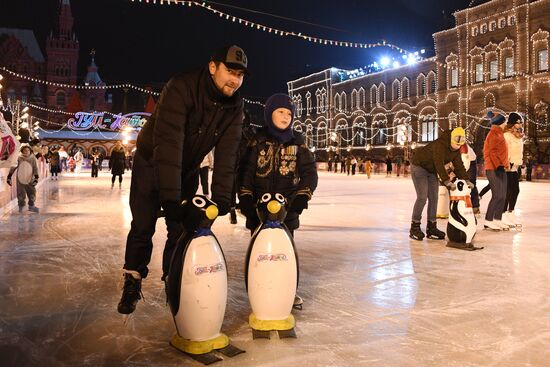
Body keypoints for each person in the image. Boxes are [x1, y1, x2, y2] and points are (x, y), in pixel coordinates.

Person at [117, 45, 249, 315]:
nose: (235, 80)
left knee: (180, 229)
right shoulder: (182, 88)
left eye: (240, 75)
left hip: (187, 167)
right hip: (151, 162)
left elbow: (228, 152)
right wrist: (170, 197)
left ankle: (172, 278)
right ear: (213, 67)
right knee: (143, 225)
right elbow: (168, 143)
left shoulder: (234, 106)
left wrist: (224, 198)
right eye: (230, 71)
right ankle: (133, 279)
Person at [238, 93, 318, 307]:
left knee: (286, 253)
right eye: (280, 112)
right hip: (258, 209)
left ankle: (288, 291)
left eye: (289, 113)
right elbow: (245, 172)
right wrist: (245, 197)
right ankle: (258, 288)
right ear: (269, 113)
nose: (285, 117)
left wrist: (302, 196)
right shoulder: (257, 141)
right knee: (259, 252)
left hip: (287, 209)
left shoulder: (298, 143)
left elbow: (310, 173)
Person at [409, 127, 473, 241]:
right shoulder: (440, 145)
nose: (457, 147)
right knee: (422, 197)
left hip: (431, 170)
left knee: (434, 198)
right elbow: (439, 164)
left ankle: (431, 227)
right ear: (451, 139)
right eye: (456, 144)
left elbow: (459, 166)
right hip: (419, 166)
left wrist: (466, 180)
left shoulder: (456, 150)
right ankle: (415, 226)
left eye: (460, 145)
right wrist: (446, 181)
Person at [483, 111, 509, 231]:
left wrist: (506, 164)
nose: (506, 124)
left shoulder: (500, 133)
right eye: (504, 122)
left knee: (503, 196)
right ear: (499, 123)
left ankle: (497, 219)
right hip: (493, 168)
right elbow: (492, 152)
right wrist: (498, 165)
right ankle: (488, 220)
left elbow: (501, 152)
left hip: (500, 167)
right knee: (497, 195)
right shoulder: (493, 134)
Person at [502, 112, 524, 227]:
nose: (520, 125)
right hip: (508, 166)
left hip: (516, 166)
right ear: (512, 123)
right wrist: (507, 162)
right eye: (517, 122)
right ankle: (503, 215)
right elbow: (506, 150)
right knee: (508, 191)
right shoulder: (507, 135)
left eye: (521, 122)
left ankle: (511, 213)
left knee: (515, 191)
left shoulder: (519, 135)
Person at [7, 145, 40, 213]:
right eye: (25, 150)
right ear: (22, 151)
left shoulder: (32, 157)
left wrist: (36, 178)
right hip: (20, 178)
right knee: (21, 193)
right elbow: (13, 166)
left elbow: (35, 168)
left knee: (32, 192)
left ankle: (31, 206)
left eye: (28, 150)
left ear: (30, 151)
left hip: (30, 178)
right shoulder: (19, 157)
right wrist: (9, 176)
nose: (26, 151)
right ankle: (21, 207)